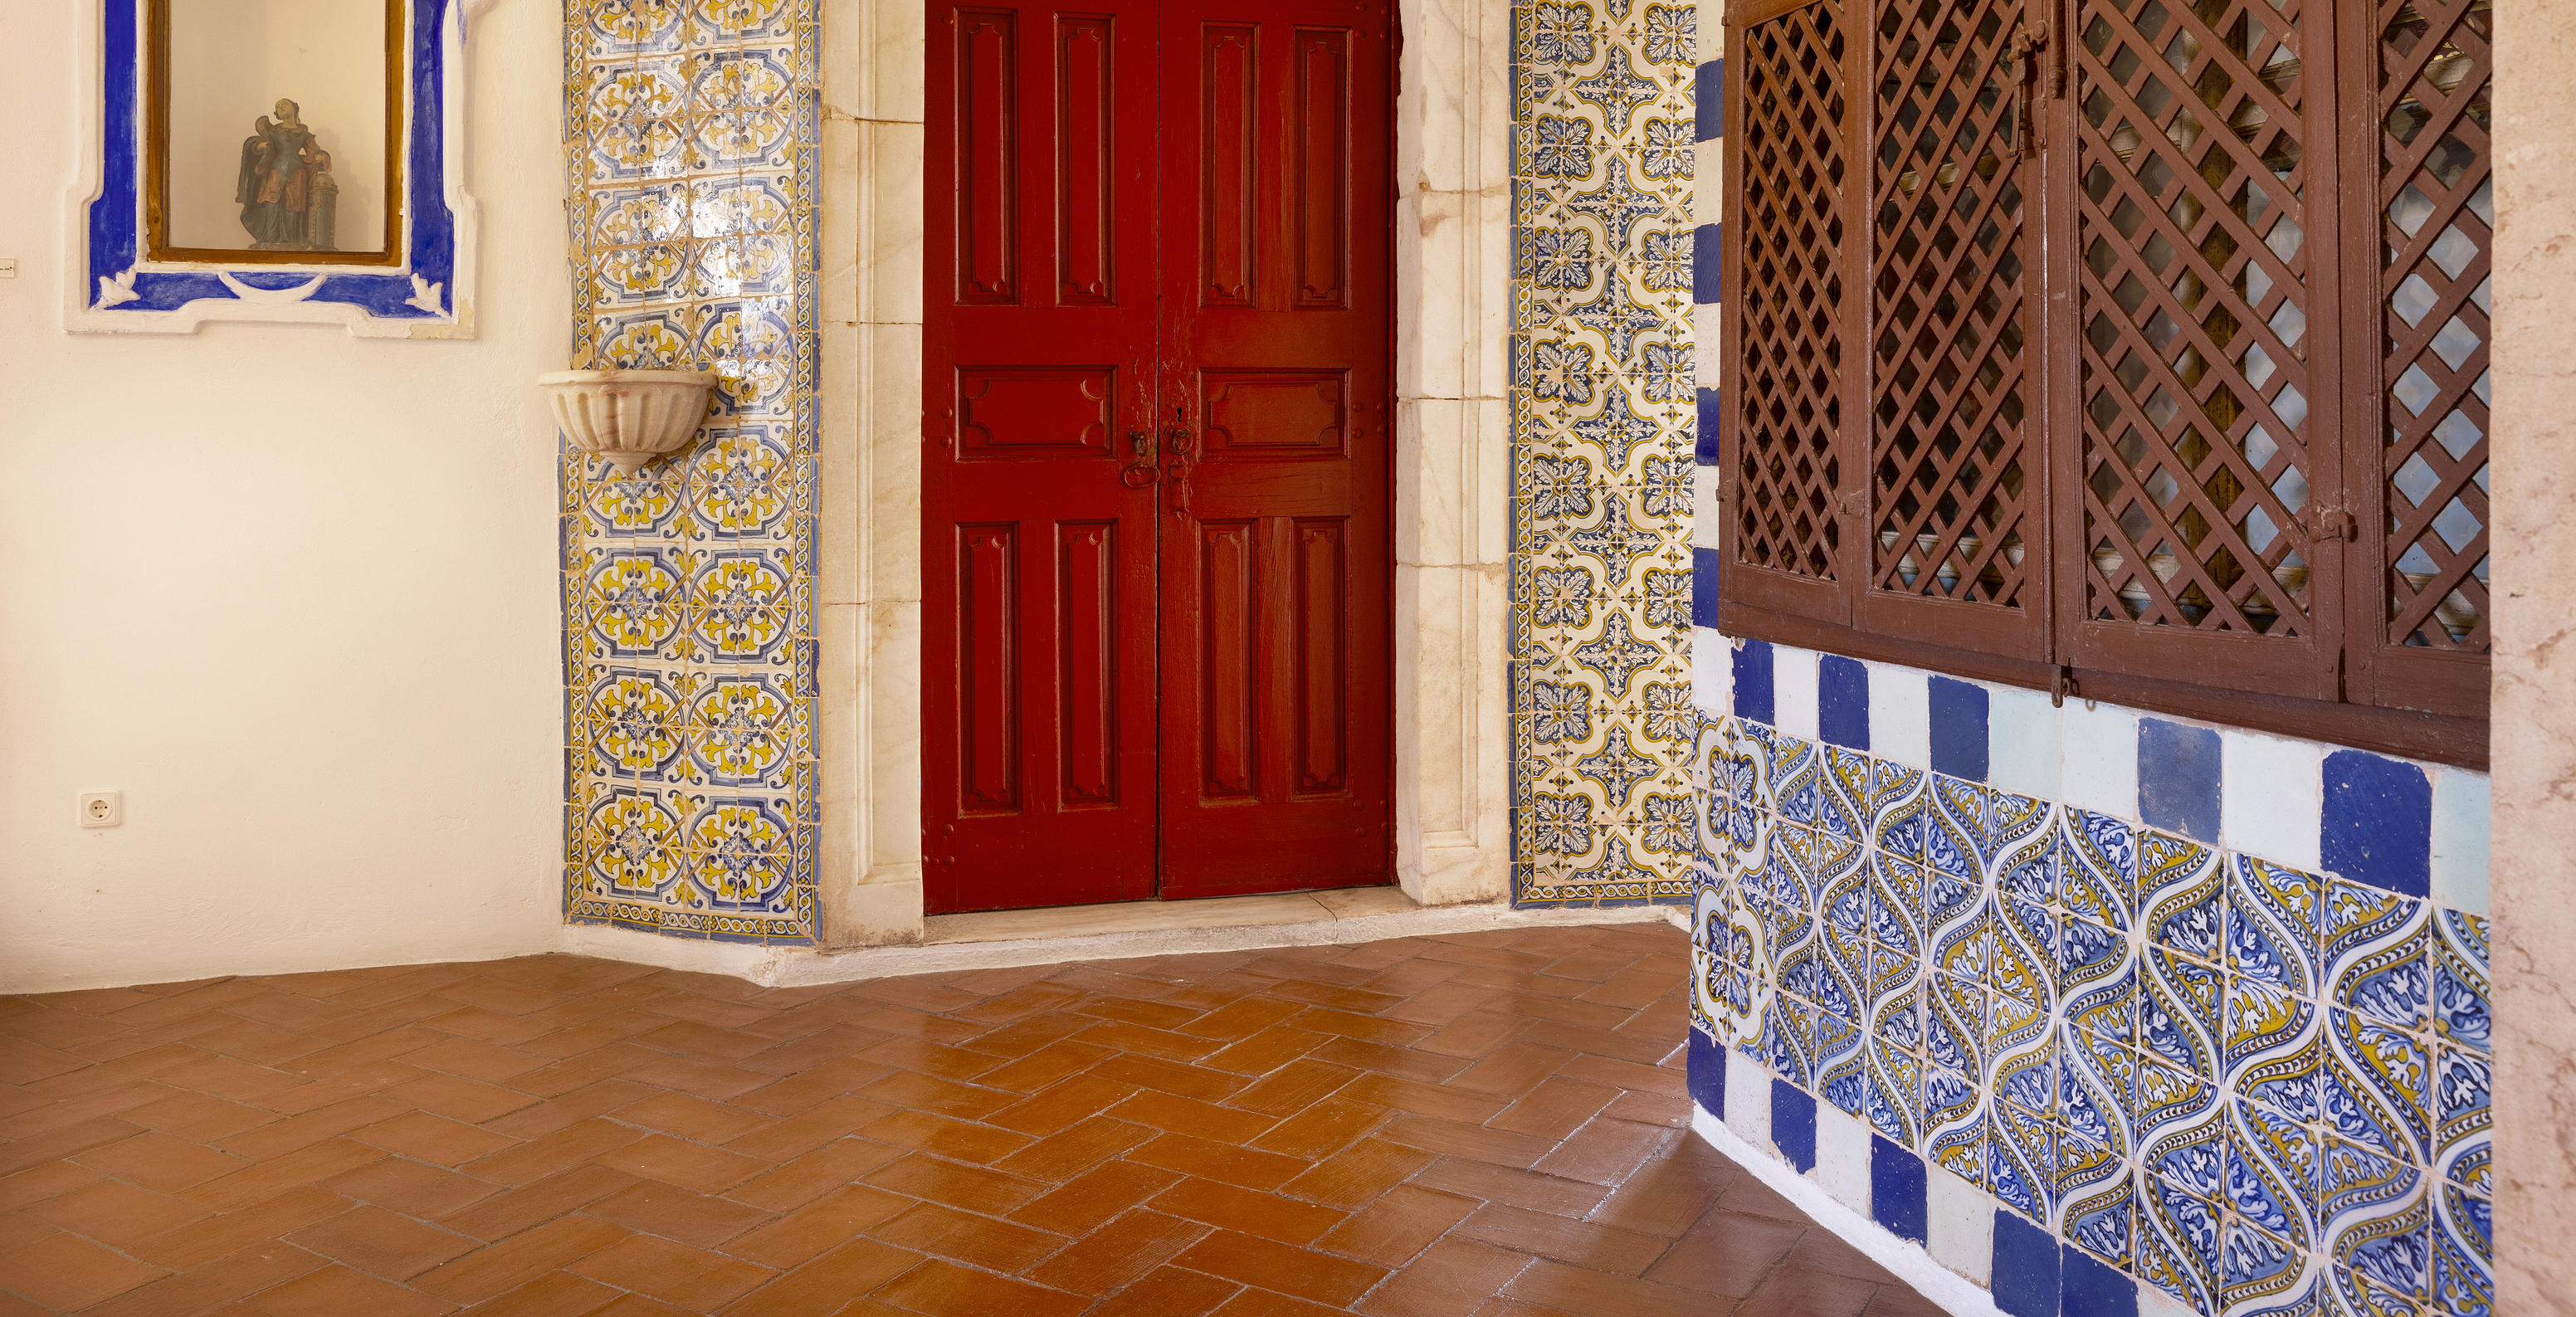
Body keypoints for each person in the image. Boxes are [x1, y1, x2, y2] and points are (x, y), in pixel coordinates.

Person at [237, 99, 325, 249]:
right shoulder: (272, 132)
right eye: (278, 106)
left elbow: (314, 150)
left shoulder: (304, 134)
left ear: (295, 109)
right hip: (275, 171)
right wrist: (262, 145)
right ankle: (270, 237)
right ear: (276, 114)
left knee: (294, 206)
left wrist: (320, 156)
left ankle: (293, 239)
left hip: (297, 174)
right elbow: (253, 144)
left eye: (285, 104)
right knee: (272, 202)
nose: (281, 107)